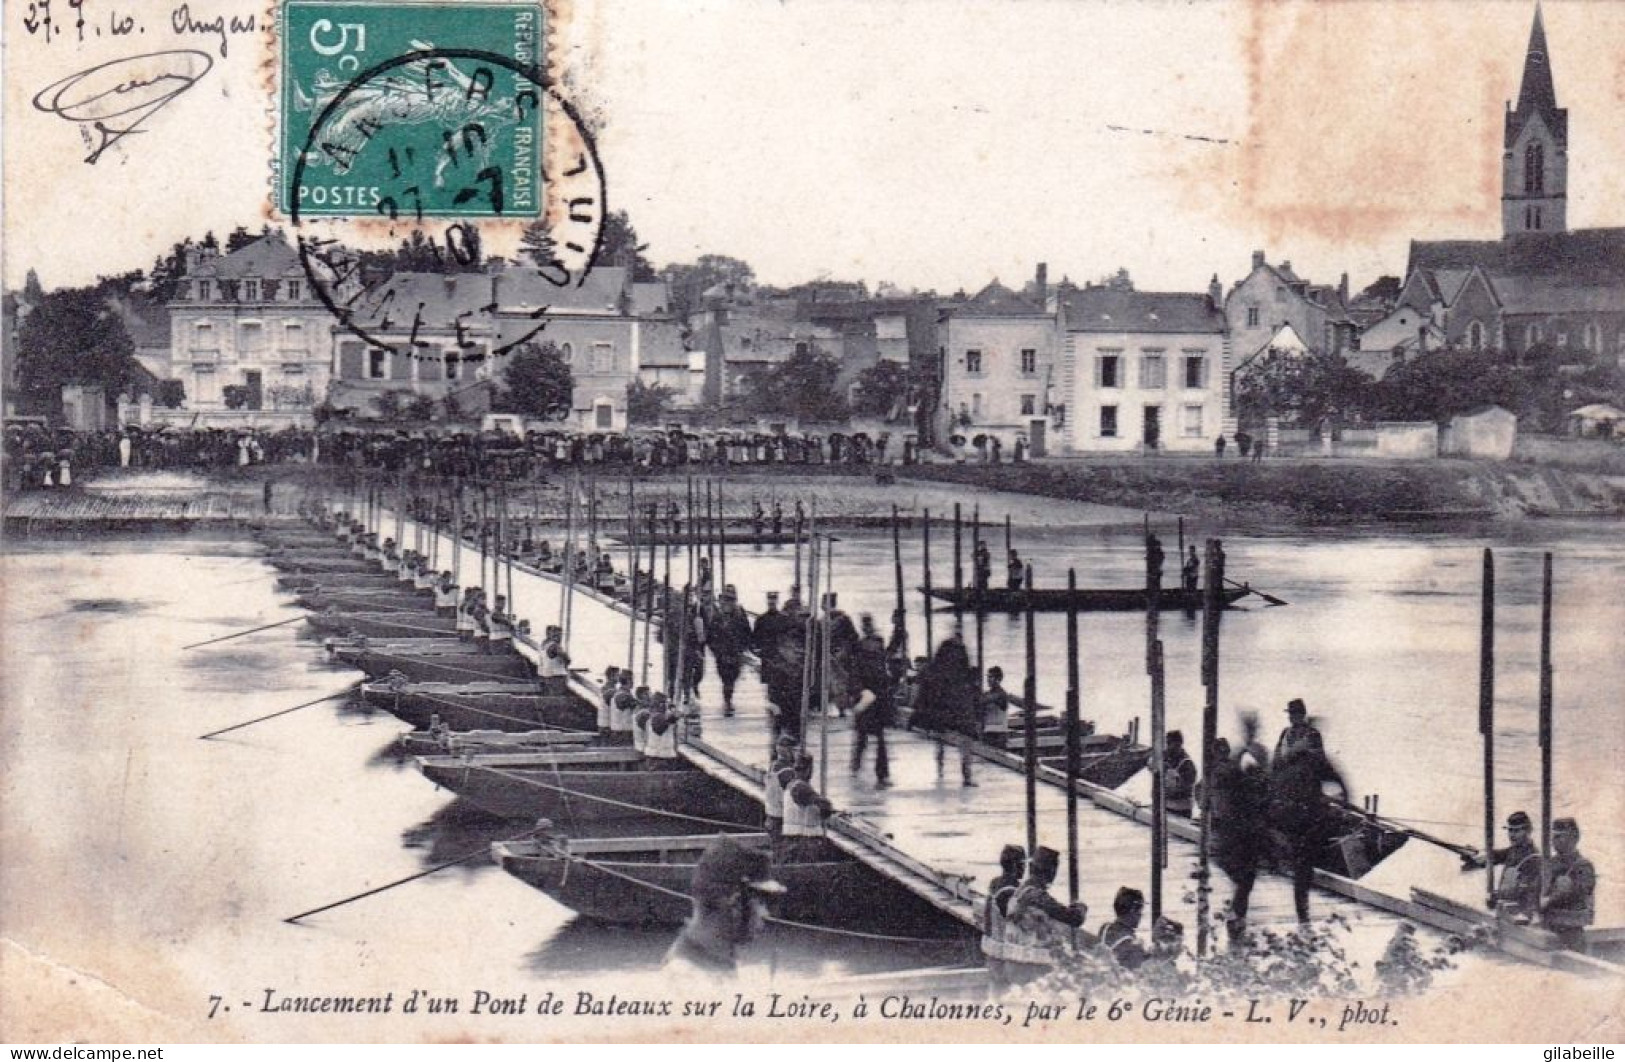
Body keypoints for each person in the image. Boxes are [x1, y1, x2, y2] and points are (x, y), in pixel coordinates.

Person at [662, 837, 785, 977]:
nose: (766, 914)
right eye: (763, 902)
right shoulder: (690, 975)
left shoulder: (708, 962)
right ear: (735, 902)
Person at [1269, 740, 1348, 925]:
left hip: (1302, 820)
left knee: (1302, 866)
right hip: (1298, 820)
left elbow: (1337, 781)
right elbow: (1338, 781)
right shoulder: (1297, 763)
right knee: (1303, 867)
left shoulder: (1302, 762)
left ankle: (1302, 912)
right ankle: (1303, 913)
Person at [1001, 847, 1086, 985]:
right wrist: (1081, 906)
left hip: (1013, 964)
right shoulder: (1037, 896)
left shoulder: (1020, 891)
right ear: (1052, 871)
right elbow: (1075, 918)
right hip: (1032, 971)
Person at [1463, 810, 1543, 924]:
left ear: (1528, 831)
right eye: (1510, 830)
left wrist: (1497, 896)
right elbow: (1494, 856)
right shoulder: (1514, 850)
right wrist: (1473, 855)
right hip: (1507, 911)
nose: (1512, 835)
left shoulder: (1533, 858)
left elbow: (1525, 892)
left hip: (1520, 916)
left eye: (1516, 831)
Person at [848, 618, 894, 786]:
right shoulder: (869, 649)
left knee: (865, 736)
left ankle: (858, 766)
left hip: (871, 698)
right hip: (872, 697)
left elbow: (855, 675)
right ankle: (878, 773)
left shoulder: (863, 649)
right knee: (873, 737)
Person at [1541, 817, 1596, 953]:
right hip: (1549, 926)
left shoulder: (1583, 866)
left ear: (1574, 838)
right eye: (1553, 837)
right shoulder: (1550, 863)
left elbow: (1581, 891)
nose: (1554, 841)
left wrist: (1552, 898)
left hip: (1571, 930)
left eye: (1560, 836)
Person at [979, 844, 1027, 990]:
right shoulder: (1011, 890)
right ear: (1014, 865)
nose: (1024, 869)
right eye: (1022, 865)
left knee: (996, 988)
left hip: (990, 946)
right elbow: (1019, 922)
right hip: (1005, 953)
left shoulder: (994, 883)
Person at [1100, 886, 1181, 970]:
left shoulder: (1105, 929)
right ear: (1132, 910)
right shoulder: (1130, 943)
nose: (1141, 915)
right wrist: (1159, 943)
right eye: (1139, 911)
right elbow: (1143, 969)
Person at [709, 586, 753, 716]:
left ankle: (728, 699)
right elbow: (711, 635)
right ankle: (727, 701)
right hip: (722, 654)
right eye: (725, 599)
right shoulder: (717, 616)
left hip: (735, 653)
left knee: (733, 677)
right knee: (725, 678)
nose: (727, 603)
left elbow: (747, 632)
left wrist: (743, 648)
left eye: (730, 600)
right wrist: (716, 651)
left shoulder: (740, 615)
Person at [781, 754, 833, 861]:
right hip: (805, 840)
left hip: (792, 838)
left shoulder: (790, 785)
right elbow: (825, 806)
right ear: (809, 770)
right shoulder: (802, 787)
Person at [762, 736, 797, 843]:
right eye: (794, 750)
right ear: (788, 750)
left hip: (771, 814)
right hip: (781, 818)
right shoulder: (787, 771)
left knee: (776, 847)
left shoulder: (773, 766)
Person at [1274, 698, 1323, 762]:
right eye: (1291, 713)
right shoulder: (1285, 733)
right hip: (1285, 769)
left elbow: (1318, 758)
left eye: (1295, 713)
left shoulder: (1312, 733)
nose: (1291, 716)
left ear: (1302, 714)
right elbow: (1277, 755)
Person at [1162, 730, 1198, 817]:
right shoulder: (1166, 757)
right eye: (1167, 743)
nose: (1168, 747)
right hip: (1165, 805)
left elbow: (1185, 786)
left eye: (1171, 744)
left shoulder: (1187, 764)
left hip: (1181, 808)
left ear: (1179, 744)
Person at [980, 666, 1011, 751]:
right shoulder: (986, 694)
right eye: (988, 677)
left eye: (991, 677)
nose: (988, 679)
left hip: (999, 734)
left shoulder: (1002, 694)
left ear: (998, 679)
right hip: (988, 732)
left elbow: (991, 699)